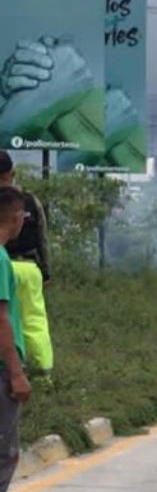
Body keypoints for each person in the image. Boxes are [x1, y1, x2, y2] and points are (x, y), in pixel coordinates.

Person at [0, 187, 32, 492]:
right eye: (22, 214)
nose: (25, 220)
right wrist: (16, 372)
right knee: (3, 451)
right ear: (12, 217)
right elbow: (1, 319)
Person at [0, 152, 52, 373]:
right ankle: (42, 371)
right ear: (12, 174)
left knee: (7, 317)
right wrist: (46, 272)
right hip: (29, 267)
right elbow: (43, 236)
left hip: (5, 264)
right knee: (34, 322)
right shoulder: (28, 200)